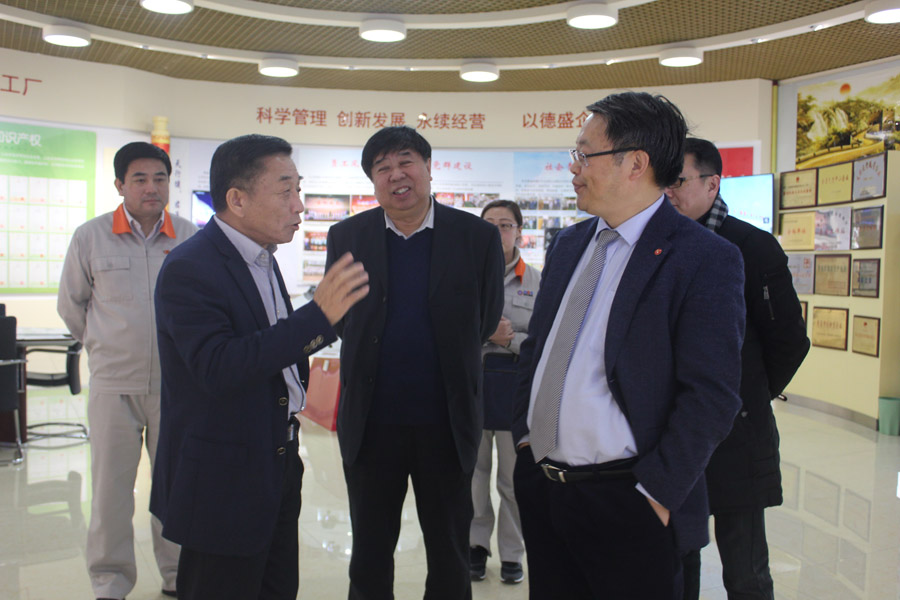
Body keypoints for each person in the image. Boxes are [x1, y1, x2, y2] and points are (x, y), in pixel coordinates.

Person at [511, 92, 746, 599]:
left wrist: (656, 494)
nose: (573, 167)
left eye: (584, 154)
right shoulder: (570, 244)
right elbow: (539, 349)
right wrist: (525, 440)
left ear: (635, 163)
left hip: (628, 498)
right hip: (545, 488)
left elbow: (712, 395)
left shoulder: (702, 257)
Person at [150, 134, 369, 600]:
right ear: (238, 200)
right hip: (222, 476)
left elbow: (271, 348)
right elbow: (218, 366)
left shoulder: (262, 259)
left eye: (299, 190)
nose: (299, 205)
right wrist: (318, 316)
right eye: (285, 190)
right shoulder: (191, 267)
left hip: (275, 462)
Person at [324, 126, 504, 600]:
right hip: (372, 423)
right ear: (372, 181)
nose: (396, 175)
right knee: (369, 551)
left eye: (405, 161)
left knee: (449, 550)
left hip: (446, 423)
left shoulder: (477, 236)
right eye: (382, 168)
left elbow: (486, 318)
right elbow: (339, 317)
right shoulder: (348, 236)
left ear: (427, 167)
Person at [668, 138, 810, 600]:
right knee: (677, 562)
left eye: (679, 181)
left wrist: (746, 393)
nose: (669, 191)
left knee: (746, 569)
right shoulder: (660, 244)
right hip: (674, 430)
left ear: (712, 184)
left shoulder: (753, 247)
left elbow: (788, 340)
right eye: (664, 180)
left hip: (737, 430)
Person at [57, 141, 194, 600]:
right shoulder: (91, 237)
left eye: (160, 178)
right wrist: (104, 346)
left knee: (176, 490)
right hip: (114, 385)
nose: (151, 187)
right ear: (120, 185)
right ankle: (110, 581)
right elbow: (71, 305)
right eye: (140, 179)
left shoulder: (190, 236)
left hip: (176, 388)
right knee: (110, 491)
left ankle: (178, 576)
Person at [469, 199, 540, 585]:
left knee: (513, 480)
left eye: (506, 225)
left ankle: (513, 553)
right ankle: (476, 546)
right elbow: (448, 331)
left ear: (519, 232)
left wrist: (508, 340)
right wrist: (486, 333)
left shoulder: (536, 281)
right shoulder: (465, 275)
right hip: (472, 389)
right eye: (490, 224)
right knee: (474, 475)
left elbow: (545, 342)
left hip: (516, 393)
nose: (498, 232)